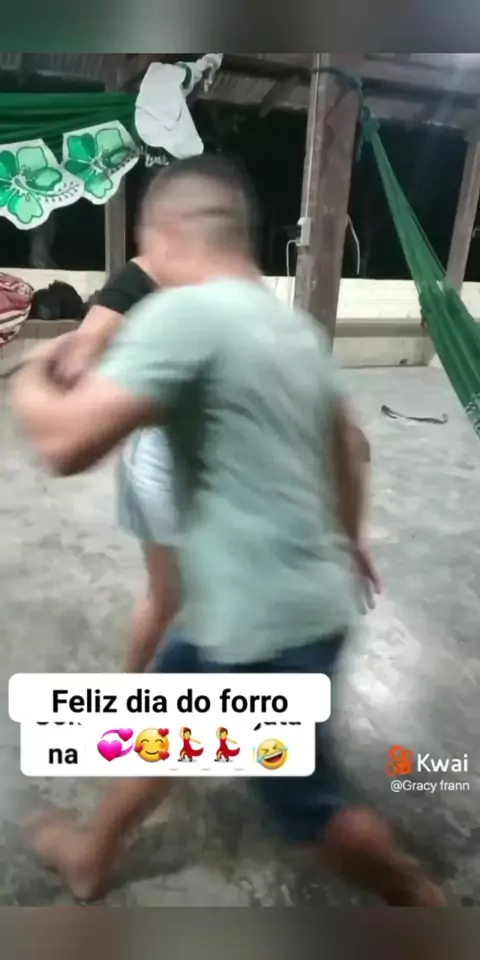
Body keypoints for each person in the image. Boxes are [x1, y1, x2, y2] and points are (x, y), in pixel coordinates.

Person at [12, 155, 444, 906]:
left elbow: (64, 446)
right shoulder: (295, 332)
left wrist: (26, 372)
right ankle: (92, 854)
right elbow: (348, 450)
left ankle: (421, 902)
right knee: (171, 712)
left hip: (256, 626)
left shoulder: (185, 314)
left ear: (169, 233)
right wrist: (350, 542)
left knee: (309, 808)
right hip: (289, 601)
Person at [49, 257, 178, 672]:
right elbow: (80, 357)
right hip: (164, 458)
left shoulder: (227, 280)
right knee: (168, 596)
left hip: (216, 455)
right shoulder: (145, 273)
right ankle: (129, 690)